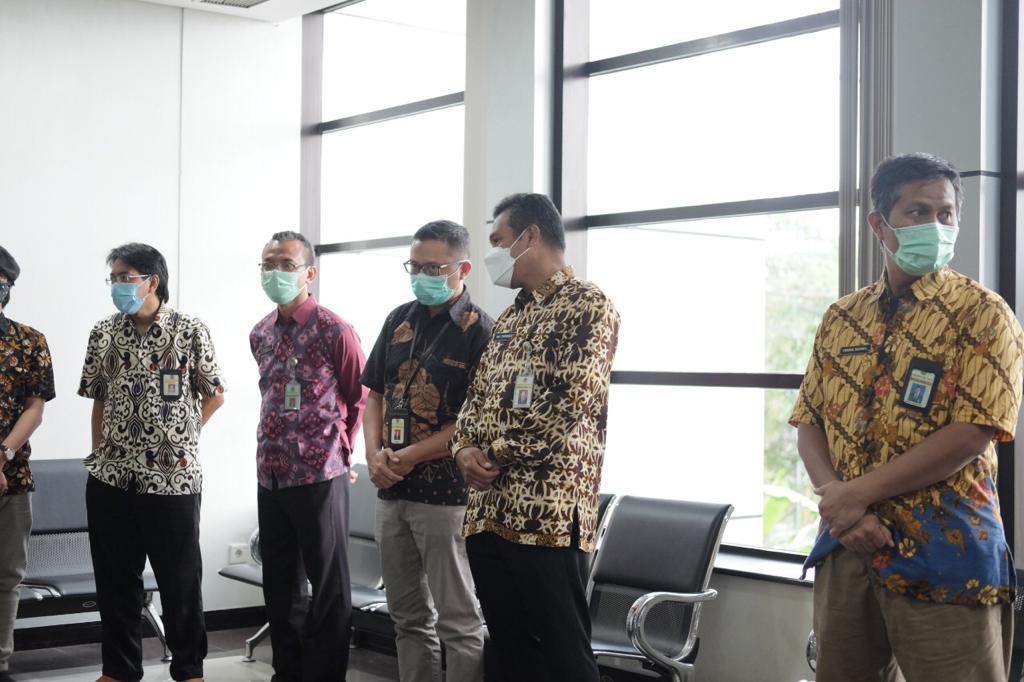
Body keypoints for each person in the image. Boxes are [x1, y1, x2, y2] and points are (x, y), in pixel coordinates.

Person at [792, 153, 1024, 682]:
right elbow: (809, 420)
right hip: (848, 547)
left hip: (947, 553)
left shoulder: (984, 314)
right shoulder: (842, 317)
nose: (935, 226)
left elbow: (973, 432)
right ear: (880, 224)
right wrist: (842, 507)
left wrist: (854, 495)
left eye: (946, 214)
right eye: (918, 212)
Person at [451, 193, 620, 682]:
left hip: (546, 513)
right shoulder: (511, 317)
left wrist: (493, 454)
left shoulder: (587, 305)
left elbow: (570, 402)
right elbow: (476, 396)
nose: (493, 253)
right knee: (509, 651)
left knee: (565, 653)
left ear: (530, 236)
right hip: (489, 512)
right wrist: (462, 450)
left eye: (498, 240)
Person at [79, 243, 225, 682]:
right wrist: (99, 454)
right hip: (111, 478)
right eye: (113, 279)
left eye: (125, 278)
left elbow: (215, 393)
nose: (117, 286)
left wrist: (182, 437)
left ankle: (189, 669)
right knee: (115, 581)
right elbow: (99, 399)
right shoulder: (103, 332)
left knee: (180, 581)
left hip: (172, 480)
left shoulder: (189, 330)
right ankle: (119, 670)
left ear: (152, 281)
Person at [361, 220, 493, 682]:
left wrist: (413, 454)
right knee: (407, 619)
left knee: (458, 621)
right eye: (414, 266)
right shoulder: (398, 319)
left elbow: (474, 420)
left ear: (463, 269)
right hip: (391, 488)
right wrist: (373, 454)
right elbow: (375, 395)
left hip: (445, 497)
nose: (421, 276)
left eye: (433, 268)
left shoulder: (480, 331)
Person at [251, 230, 367, 682]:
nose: (275, 272)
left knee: (329, 586)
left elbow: (359, 396)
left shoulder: (334, 329)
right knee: (280, 585)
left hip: (320, 473)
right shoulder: (260, 332)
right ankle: (288, 672)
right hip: (270, 472)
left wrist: (344, 452)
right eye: (268, 264)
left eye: (286, 264)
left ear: (309, 273)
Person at [0, 247, 54, 682]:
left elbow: (35, 408)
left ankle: (0, 662)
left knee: (8, 577)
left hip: (12, 479)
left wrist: (2, 455)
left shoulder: (30, 341)